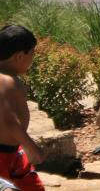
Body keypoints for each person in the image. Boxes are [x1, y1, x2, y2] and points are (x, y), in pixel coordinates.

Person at [0, 25, 45, 191]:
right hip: (3, 155)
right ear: (19, 56)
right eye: (32, 54)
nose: (33, 59)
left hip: (11, 152)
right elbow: (9, 120)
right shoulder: (6, 81)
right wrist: (31, 147)